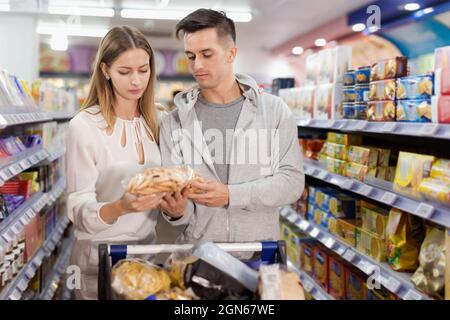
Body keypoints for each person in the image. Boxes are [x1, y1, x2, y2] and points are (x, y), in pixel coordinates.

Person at [157, 9, 305, 245]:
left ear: (231, 54)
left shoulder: (274, 111)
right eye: (191, 56)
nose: (197, 65)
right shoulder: (173, 122)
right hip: (197, 258)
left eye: (207, 54)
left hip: (260, 254)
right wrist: (176, 212)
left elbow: (292, 183)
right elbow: (179, 207)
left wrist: (230, 195)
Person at [66, 26, 164, 300]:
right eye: (125, 71)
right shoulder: (84, 126)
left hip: (146, 252)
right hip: (96, 257)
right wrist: (121, 207)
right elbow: (77, 207)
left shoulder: (156, 121)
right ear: (106, 70)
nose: (136, 81)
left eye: (143, 70)